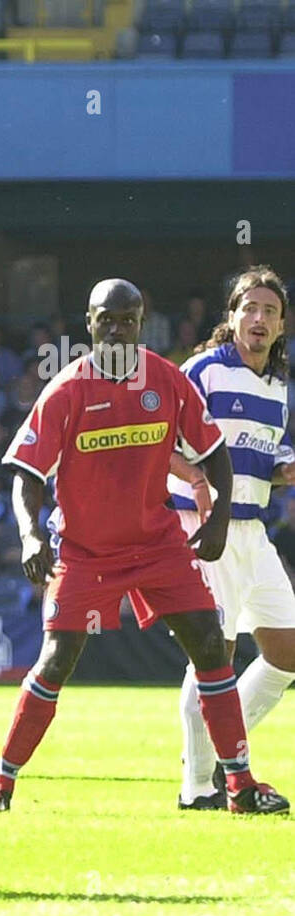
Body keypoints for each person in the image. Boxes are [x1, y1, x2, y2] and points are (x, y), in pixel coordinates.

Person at [0, 277, 288, 815]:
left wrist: (212, 523)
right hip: (85, 551)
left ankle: (236, 784)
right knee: (56, 661)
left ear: (142, 324)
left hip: (159, 543)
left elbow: (215, 452)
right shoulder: (68, 388)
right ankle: (1, 785)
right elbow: (26, 474)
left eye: (128, 320)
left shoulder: (166, 380)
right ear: (89, 323)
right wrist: (30, 534)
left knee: (212, 648)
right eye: (107, 320)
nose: (117, 329)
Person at [167, 267, 295, 810]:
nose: (259, 319)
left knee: (287, 653)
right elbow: (157, 444)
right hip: (203, 529)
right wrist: (197, 483)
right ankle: (198, 789)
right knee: (212, 656)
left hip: (252, 531)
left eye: (270, 311)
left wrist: (286, 470)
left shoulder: (280, 386)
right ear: (232, 317)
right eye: (250, 308)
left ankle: (226, 752)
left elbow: (267, 463)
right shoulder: (203, 372)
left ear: (282, 325)